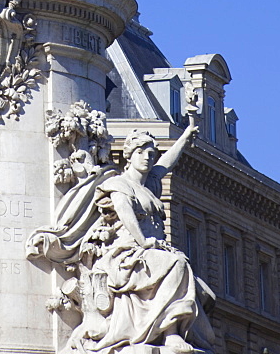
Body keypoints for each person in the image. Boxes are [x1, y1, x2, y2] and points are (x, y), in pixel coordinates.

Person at [66, 127, 215, 353]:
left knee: (205, 294)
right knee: (177, 265)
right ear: (129, 155)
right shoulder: (119, 184)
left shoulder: (151, 184)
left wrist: (184, 139)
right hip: (127, 253)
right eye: (141, 152)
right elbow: (125, 214)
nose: (147, 157)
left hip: (152, 251)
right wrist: (144, 241)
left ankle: (174, 330)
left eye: (151, 154)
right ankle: (171, 333)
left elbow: (167, 164)